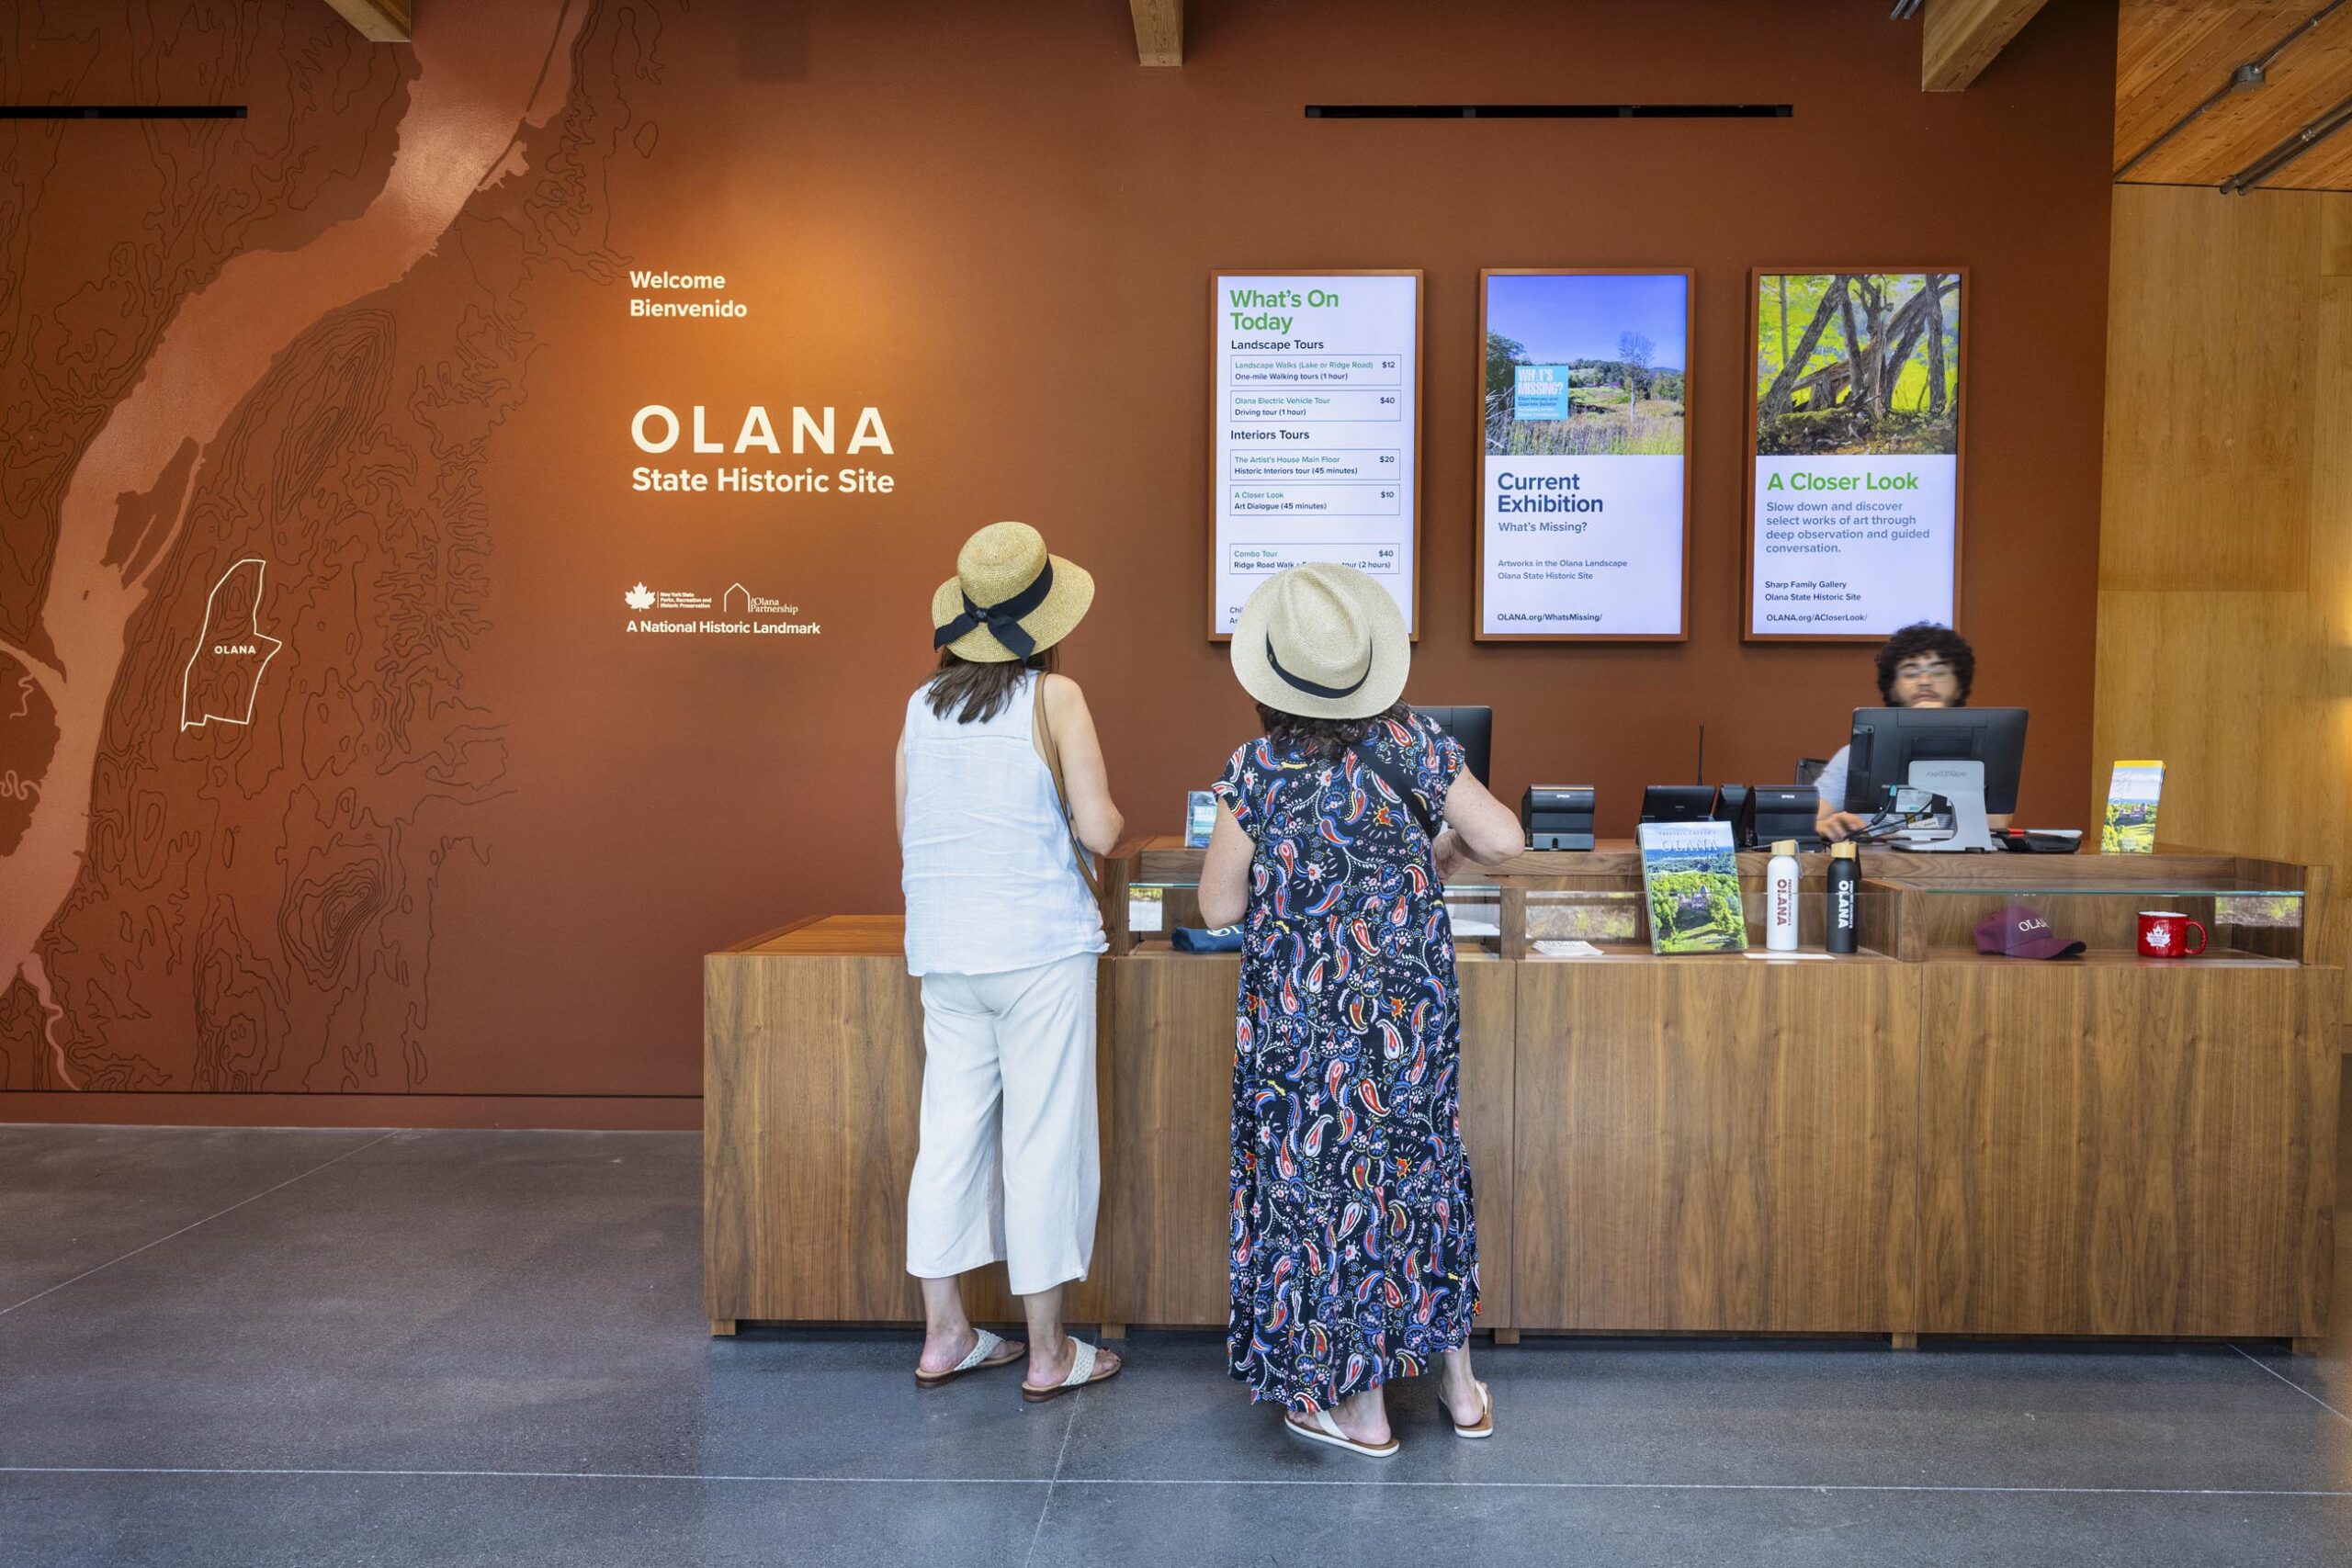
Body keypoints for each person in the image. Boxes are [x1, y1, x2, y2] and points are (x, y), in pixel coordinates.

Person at [1197, 563, 1525, 1457]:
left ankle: (1363, 1410)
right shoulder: (1413, 742)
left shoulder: (1254, 771)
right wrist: (1437, 856)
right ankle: (1462, 1394)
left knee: (1329, 1195)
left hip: (1306, 1035)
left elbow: (1218, 908)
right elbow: (1504, 838)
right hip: (1409, 1020)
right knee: (1419, 1175)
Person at [898, 521, 1125, 1402]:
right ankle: (1046, 1351)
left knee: (948, 1138)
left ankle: (946, 1333)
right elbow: (1102, 829)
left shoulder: (921, 706)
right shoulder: (1052, 699)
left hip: (947, 953)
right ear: (1045, 622)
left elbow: (909, 828)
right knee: (1044, 1145)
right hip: (1038, 951)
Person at [1814, 622, 2008, 842]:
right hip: (1871, 869)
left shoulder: (1981, 751)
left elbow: (1997, 822)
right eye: (1910, 672)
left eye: (1939, 671)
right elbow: (1808, 819)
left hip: (1957, 870)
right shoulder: (1858, 754)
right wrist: (1824, 826)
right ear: (1893, 688)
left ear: (1959, 685)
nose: (1925, 682)